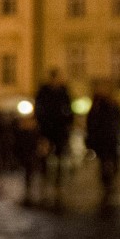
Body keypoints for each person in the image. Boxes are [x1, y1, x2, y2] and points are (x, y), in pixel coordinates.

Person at [33, 69, 75, 201]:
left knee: (60, 157)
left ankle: (57, 183)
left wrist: (68, 122)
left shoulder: (64, 92)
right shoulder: (43, 92)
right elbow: (38, 110)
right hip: (46, 130)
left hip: (60, 130)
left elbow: (69, 110)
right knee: (44, 157)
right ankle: (45, 180)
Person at [85, 79, 120, 200]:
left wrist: (119, 133)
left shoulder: (114, 104)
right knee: (105, 162)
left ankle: (109, 182)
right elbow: (91, 122)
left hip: (112, 137)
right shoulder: (97, 105)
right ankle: (107, 185)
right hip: (102, 139)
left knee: (114, 162)